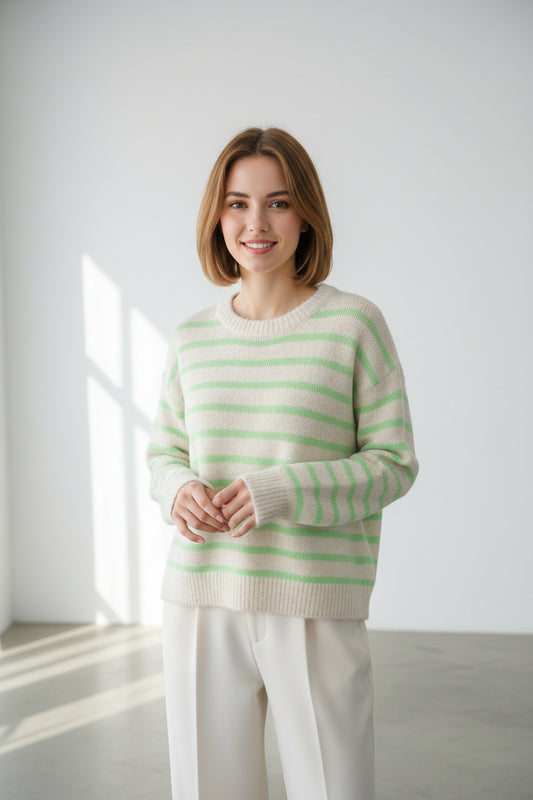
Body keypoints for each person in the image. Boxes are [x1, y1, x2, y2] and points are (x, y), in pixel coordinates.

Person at [146, 127, 419, 800]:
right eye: (237, 203)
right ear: (218, 216)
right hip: (202, 596)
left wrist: (282, 490)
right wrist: (177, 488)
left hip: (314, 600)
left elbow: (393, 464)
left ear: (306, 216)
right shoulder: (191, 337)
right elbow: (164, 453)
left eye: (277, 202)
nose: (255, 223)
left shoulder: (353, 325)